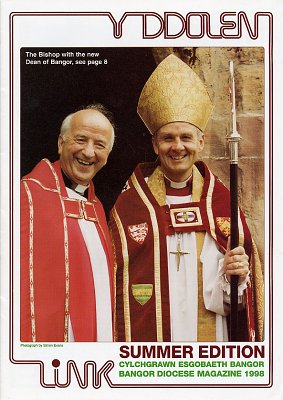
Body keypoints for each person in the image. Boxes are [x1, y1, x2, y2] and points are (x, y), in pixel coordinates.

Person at [109, 55, 264, 342]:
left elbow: (238, 305)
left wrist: (237, 278)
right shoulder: (130, 207)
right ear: (155, 144)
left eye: (186, 137)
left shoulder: (222, 206)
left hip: (208, 343)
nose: (177, 147)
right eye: (167, 138)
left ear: (201, 142)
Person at [21, 103, 115, 342]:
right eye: (81, 140)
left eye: (100, 145)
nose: (89, 152)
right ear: (61, 143)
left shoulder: (97, 207)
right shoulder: (25, 197)